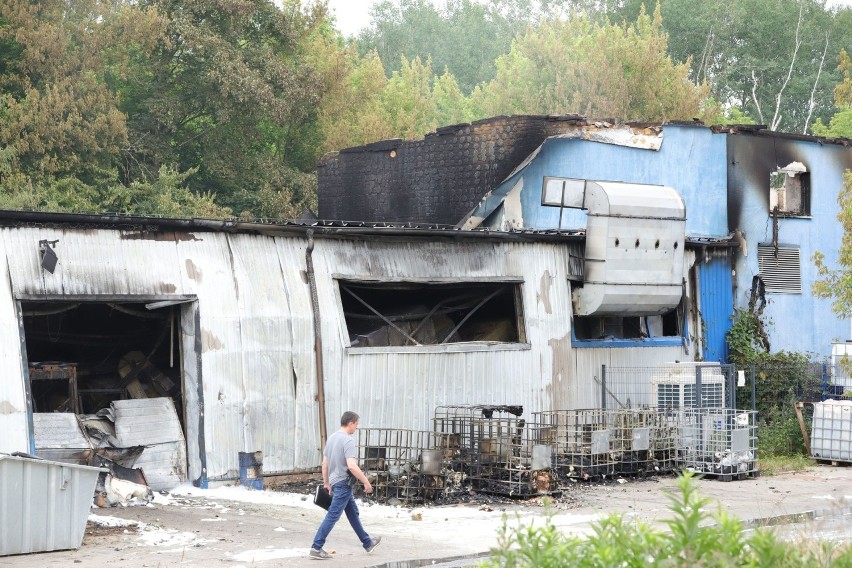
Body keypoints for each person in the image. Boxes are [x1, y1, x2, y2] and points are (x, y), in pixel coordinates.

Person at [309, 411, 382, 560]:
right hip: (343, 483)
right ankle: (316, 547)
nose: (356, 428)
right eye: (356, 424)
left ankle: (367, 543)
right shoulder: (348, 441)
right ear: (351, 423)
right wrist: (366, 482)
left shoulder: (331, 439)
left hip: (337, 483)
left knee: (352, 513)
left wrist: (327, 483)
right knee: (333, 515)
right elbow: (352, 466)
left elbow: (325, 464)